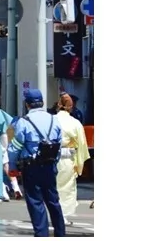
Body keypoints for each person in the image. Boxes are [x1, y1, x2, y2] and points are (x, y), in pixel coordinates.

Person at [10, 88, 67, 237]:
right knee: (53, 201)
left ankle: (42, 235)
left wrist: (12, 165)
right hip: (49, 166)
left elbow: (15, 147)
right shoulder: (54, 119)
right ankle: (61, 234)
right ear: (42, 102)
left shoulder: (24, 122)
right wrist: (54, 164)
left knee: (36, 202)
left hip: (31, 167)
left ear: (27, 104)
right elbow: (59, 145)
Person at [53, 93, 89, 222]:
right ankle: (61, 214)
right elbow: (82, 144)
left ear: (58, 105)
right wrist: (79, 164)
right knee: (66, 188)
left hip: (50, 158)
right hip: (67, 158)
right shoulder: (75, 123)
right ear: (71, 107)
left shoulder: (51, 120)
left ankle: (53, 213)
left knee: (52, 187)